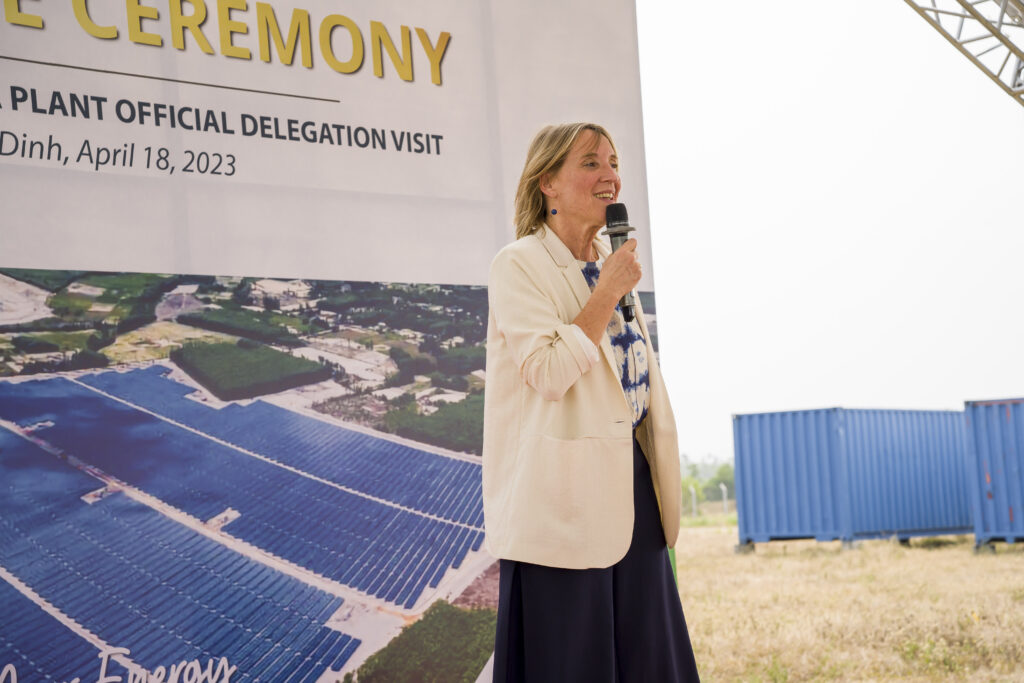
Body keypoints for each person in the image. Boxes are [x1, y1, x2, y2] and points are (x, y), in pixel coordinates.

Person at [483, 122, 700, 682]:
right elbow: (549, 372)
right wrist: (606, 292)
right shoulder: (519, 264)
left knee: (650, 662)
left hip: (635, 494)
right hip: (564, 504)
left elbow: (633, 384)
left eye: (613, 162)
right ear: (547, 182)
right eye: (590, 163)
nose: (610, 176)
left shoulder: (611, 262)